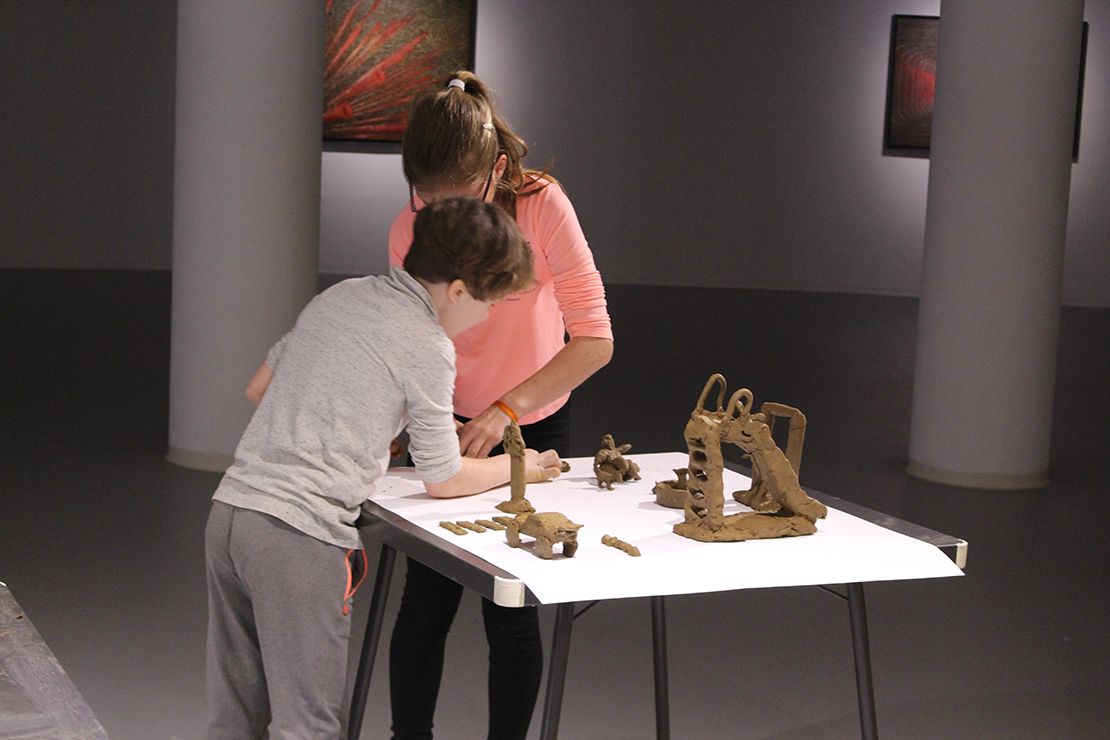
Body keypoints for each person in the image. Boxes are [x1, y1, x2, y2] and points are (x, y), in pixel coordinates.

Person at [203, 197, 564, 739]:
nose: (490, 316)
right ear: (460, 290)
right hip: (298, 537)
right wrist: (524, 468)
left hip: (232, 515)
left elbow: (260, 389)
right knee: (309, 725)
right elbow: (443, 478)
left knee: (236, 717)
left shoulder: (342, 294)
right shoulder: (428, 343)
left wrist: (362, 429)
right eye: (491, 303)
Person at [387, 71, 614, 740]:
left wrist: (509, 408)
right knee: (424, 605)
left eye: (458, 202)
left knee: (511, 609)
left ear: (495, 171)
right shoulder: (410, 223)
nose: (440, 218)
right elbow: (411, 341)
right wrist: (411, 418)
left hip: (534, 420)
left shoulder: (543, 206)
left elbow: (594, 340)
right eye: (429, 201)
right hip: (445, 417)